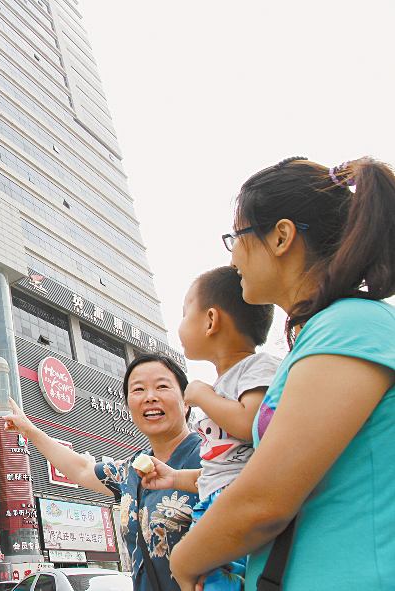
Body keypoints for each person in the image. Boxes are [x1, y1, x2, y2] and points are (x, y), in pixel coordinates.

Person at [168, 157, 395, 590]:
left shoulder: (349, 327)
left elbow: (263, 502)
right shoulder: (324, 336)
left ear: (281, 236)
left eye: (236, 237)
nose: (233, 256)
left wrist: (184, 559)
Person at [4, 353, 202, 591]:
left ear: (186, 402)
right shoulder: (133, 469)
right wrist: (29, 430)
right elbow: (82, 469)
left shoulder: (215, 458)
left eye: (162, 386)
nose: (150, 397)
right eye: (138, 390)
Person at [140, 266, 278, 590]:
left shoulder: (258, 367)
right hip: (215, 502)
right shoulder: (223, 384)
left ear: (211, 320)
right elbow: (219, 469)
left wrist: (203, 395)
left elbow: (250, 424)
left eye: (185, 312)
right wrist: (174, 478)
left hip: (236, 503)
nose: (181, 324)